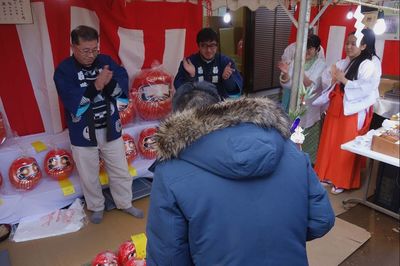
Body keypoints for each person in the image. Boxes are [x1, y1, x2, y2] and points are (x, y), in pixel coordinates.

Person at [146, 81, 335, 265]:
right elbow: (321, 220)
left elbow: (167, 256)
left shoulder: (170, 172)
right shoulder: (289, 149)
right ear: (220, 108)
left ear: (176, 118)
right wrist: (282, 238)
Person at [54, 25, 143, 224]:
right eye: (86, 50)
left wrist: (108, 83)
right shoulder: (64, 70)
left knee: (120, 169)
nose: (91, 55)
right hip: (83, 133)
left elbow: (121, 90)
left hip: (110, 126)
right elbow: (72, 103)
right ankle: (96, 206)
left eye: (95, 49)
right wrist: (96, 85)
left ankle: (125, 202)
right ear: (73, 47)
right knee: (89, 174)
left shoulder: (106, 62)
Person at [313, 28, 382, 194]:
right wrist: (333, 77)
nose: (349, 46)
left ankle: (342, 180)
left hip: (352, 109)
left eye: (353, 43)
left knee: (345, 145)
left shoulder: (369, 64)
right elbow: (327, 78)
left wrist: (343, 79)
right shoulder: (344, 62)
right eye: (347, 43)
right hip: (337, 106)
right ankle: (327, 175)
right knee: (330, 141)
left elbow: (367, 88)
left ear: (364, 46)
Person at [278, 34, 326, 163]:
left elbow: (312, 87)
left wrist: (300, 71)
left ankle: (308, 164)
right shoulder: (296, 61)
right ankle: (292, 161)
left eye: (311, 48)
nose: (307, 51)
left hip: (310, 109)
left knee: (307, 141)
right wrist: (286, 74)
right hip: (294, 106)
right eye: (306, 48)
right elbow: (287, 84)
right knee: (292, 135)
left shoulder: (321, 65)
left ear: (317, 50)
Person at [173, 28, 243, 99]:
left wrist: (227, 78)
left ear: (217, 45)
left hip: (220, 105)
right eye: (204, 45)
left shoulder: (226, 62)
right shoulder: (189, 63)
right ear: (198, 46)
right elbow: (179, 89)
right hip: (195, 105)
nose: (208, 50)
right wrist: (191, 76)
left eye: (212, 45)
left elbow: (234, 91)